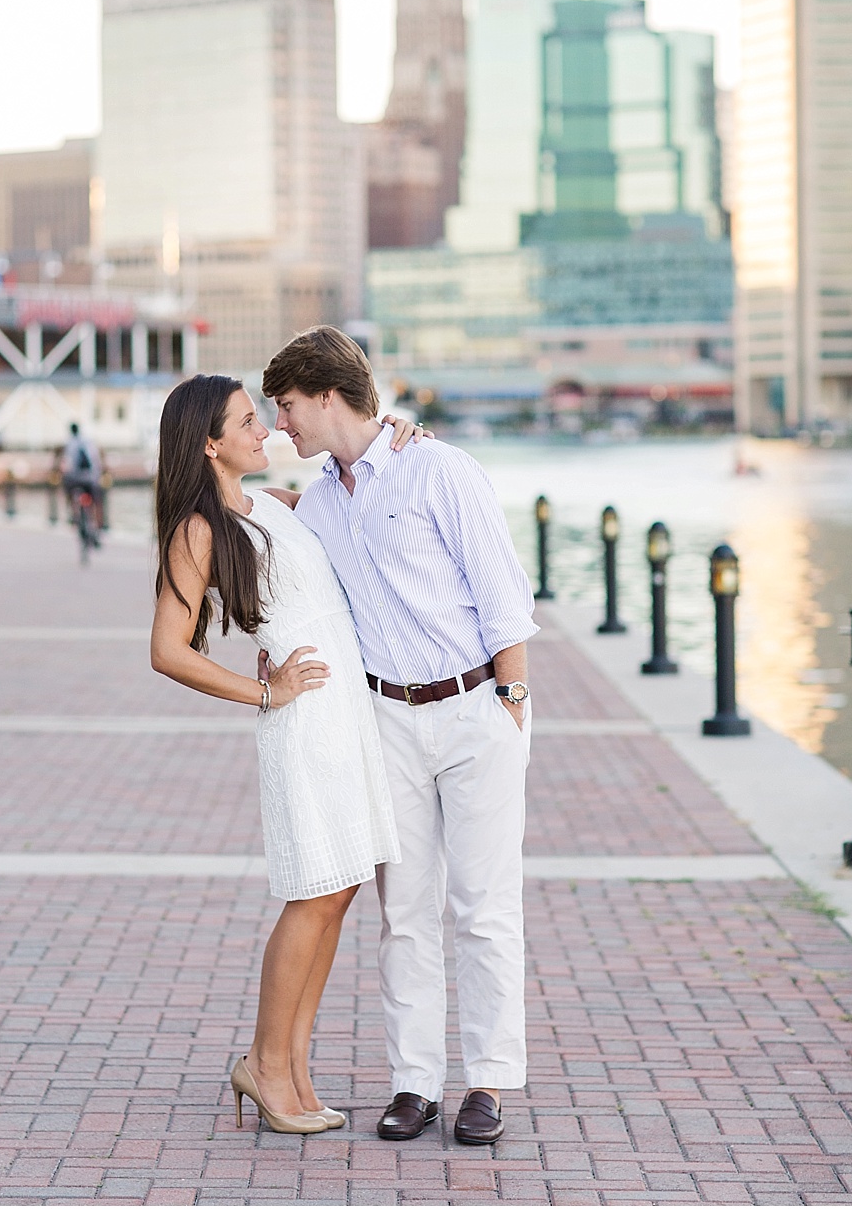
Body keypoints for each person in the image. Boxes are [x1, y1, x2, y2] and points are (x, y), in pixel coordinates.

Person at [261, 326, 537, 1146]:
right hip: (384, 719)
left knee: (484, 906)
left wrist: (511, 702)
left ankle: (488, 1081)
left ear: (325, 395)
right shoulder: (317, 504)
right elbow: (276, 541)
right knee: (405, 912)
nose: (280, 424)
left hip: (475, 707)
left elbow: (502, 593)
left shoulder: (441, 469)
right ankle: (415, 1082)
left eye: (287, 405)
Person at [150, 377, 423, 1135]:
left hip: (346, 711)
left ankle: (294, 1069)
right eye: (247, 421)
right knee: (314, 892)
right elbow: (167, 651)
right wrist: (264, 693)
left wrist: (402, 438)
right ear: (209, 442)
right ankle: (266, 1065)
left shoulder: (272, 503)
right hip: (303, 722)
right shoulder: (197, 530)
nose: (264, 431)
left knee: (340, 889)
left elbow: (364, 494)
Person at [61, 422, 105, 529]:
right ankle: (100, 523)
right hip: (92, 477)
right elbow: (97, 461)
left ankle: (73, 515)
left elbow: (65, 463)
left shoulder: (69, 443)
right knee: (97, 500)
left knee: (69, 491)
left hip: (75, 478)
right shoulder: (89, 442)